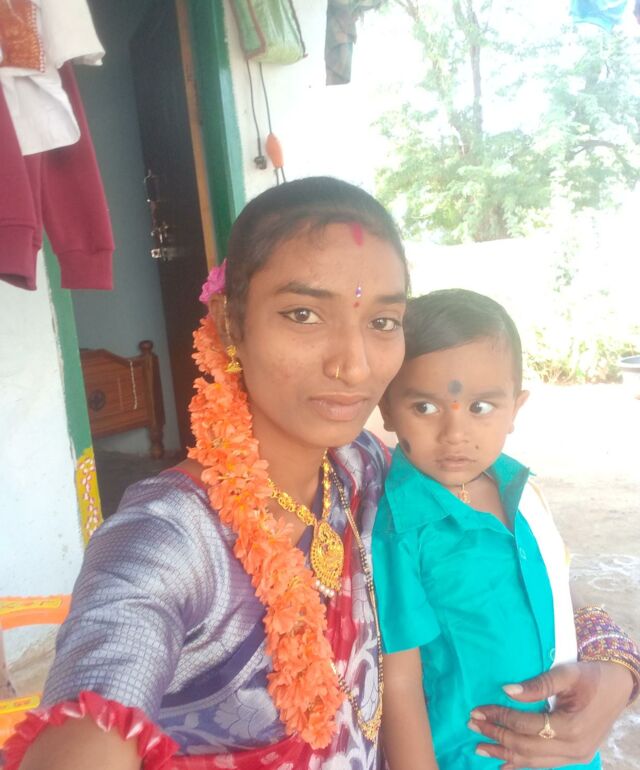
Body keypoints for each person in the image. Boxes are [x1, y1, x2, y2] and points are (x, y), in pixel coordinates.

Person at [4, 182, 637, 770]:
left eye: (382, 322)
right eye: (304, 314)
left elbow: (506, 567)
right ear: (229, 323)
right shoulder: (167, 538)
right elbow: (93, 704)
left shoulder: (366, 469)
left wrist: (616, 668)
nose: (353, 365)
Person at [372, 289, 640, 770]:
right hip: (471, 756)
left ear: (516, 408)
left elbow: (557, 588)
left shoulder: (518, 487)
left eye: (480, 407)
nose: (455, 434)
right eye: (425, 408)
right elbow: (401, 682)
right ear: (388, 409)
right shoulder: (401, 527)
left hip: (566, 749)